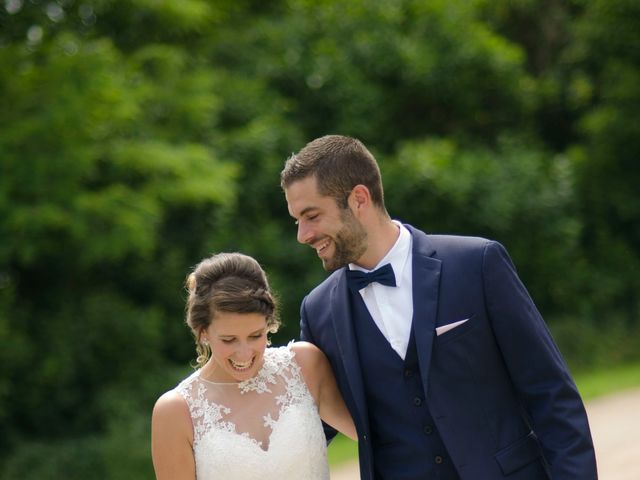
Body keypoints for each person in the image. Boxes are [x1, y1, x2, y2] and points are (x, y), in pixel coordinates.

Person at [281, 135, 597, 480]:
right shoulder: (318, 310)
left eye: (311, 216)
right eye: (297, 220)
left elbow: (551, 394)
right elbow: (309, 432)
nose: (303, 235)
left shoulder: (477, 264)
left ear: (359, 199)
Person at [151, 252, 357, 480]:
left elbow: (376, 438)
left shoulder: (304, 365)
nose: (245, 353)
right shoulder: (175, 411)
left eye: (255, 335)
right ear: (203, 332)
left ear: (268, 323)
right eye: (229, 340)